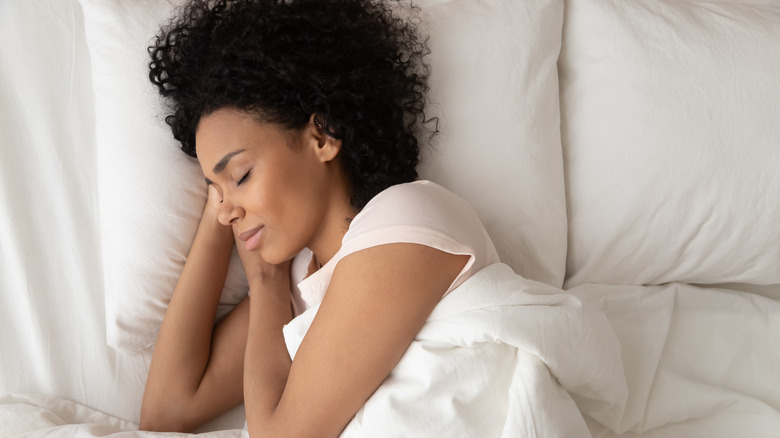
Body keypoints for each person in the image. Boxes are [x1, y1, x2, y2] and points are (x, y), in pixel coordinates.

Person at [139, 0, 499, 435]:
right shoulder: (298, 282)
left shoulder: (406, 219)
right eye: (214, 194)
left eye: (241, 174)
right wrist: (225, 217)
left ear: (322, 136)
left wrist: (266, 287)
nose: (226, 211)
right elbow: (165, 413)